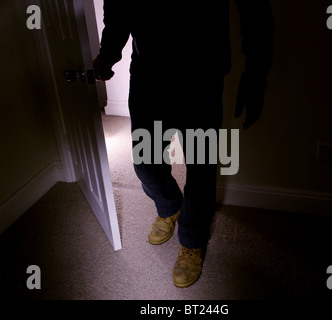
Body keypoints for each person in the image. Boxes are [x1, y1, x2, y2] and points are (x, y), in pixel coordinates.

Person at [93, 0, 274, 288]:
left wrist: (255, 76)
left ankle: (192, 239)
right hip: (149, 72)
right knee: (145, 162)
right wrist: (107, 54)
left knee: (201, 165)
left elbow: (255, 11)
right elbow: (119, 7)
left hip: (202, 73)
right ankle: (169, 206)